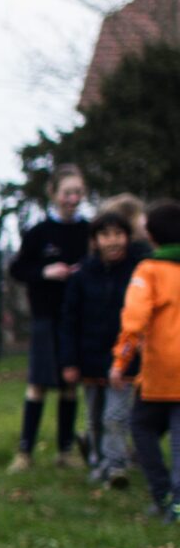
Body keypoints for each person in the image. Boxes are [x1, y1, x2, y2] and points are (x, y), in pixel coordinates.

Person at [7, 165, 92, 471]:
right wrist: (44, 272)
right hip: (46, 317)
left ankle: (65, 451)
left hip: (78, 319)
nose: (73, 199)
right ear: (54, 194)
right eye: (68, 193)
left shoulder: (89, 232)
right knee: (38, 384)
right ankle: (25, 451)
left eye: (78, 193)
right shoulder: (39, 234)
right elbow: (17, 269)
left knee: (70, 384)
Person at [59, 197, 143, 489]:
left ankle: (116, 466)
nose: (113, 241)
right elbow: (69, 321)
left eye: (118, 234)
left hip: (125, 359)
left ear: (128, 237)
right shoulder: (82, 276)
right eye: (105, 235)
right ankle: (98, 461)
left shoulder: (139, 272)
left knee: (115, 416)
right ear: (95, 240)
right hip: (89, 358)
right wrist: (69, 361)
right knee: (94, 418)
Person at [115, 200, 180, 522]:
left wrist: (119, 361)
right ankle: (178, 507)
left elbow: (135, 320)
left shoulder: (149, 271)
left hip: (161, 372)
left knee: (141, 428)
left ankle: (163, 494)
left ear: (152, 237)